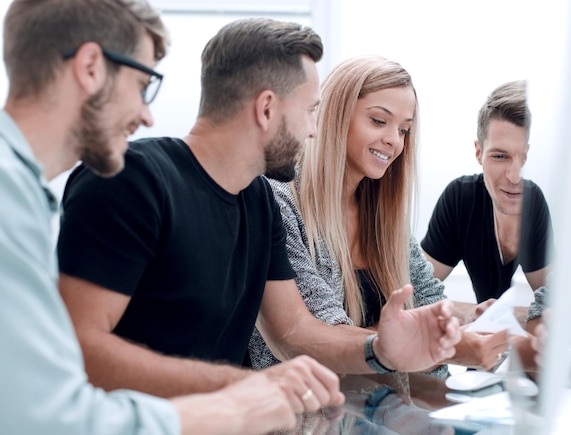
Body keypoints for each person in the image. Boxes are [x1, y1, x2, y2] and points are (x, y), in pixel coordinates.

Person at [56, 17, 462, 400]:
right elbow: (79, 350)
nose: (314, 130)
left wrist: (380, 349)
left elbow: (293, 331)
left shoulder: (259, 201)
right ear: (266, 108)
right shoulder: (129, 179)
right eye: (308, 111)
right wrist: (241, 387)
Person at [0, 1, 342, 434]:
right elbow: (47, 412)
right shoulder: (11, 192)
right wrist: (234, 403)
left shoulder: (22, 193)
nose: (147, 114)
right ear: (89, 67)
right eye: (143, 84)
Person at [246, 55, 508, 374]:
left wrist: (462, 326)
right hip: (305, 416)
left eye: (404, 130)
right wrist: (444, 347)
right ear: (335, 116)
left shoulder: (382, 215)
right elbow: (318, 337)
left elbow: (427, 302)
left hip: (382, 412)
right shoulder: (277, 201)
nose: (394, 141)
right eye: (379, 121)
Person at [421, 80, 554, 321]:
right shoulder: (460, 199)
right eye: (500, 156)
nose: (514, 176)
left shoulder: (533, 202)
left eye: (521, 156)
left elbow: (555, 306)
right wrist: (473, 313)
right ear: (478, 152)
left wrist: (500, 315)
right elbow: (413, 294)